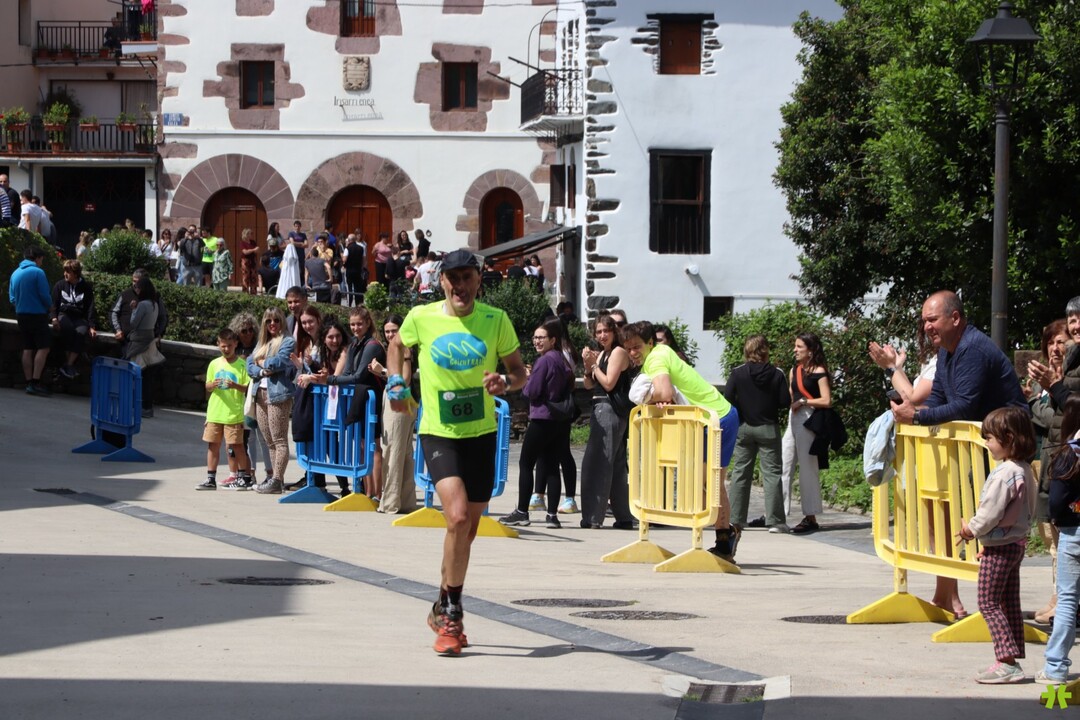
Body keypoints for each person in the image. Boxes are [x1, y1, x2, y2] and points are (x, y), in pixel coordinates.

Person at [385, 248, 526, 655]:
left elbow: (519, 372)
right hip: (439, 432)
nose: (460, 285)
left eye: (467, 277)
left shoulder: (495, 320)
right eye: (453, 278)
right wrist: (397, 382)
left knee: (467, 531)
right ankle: (452, 616)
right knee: (458, 517)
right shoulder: (422, 317)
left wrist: (505, 383)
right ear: (441, 281)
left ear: (479, 280)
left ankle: (441, 602)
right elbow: (396, 344)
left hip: (481, 435)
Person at [619, 321, 741, 561]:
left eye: (637, 347)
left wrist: (647, 397)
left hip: (717, 419)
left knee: (710, 484)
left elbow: (664, 392)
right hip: (712, 417)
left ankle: (725, 539)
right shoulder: (661, 351)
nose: (632, 353)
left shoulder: (656, 359)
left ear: (650, 343)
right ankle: (725, 538)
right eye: (628, 348)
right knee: (706, 484)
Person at [869, 323, 967, 618]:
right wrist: (896, 368)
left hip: (941, 452)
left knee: (942, 524)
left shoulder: (947, 360)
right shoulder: (939, 359)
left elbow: (912, 397)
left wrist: (891, 369)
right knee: (935, 525)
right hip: (931, 450)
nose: (928, 331)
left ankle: (951, 598)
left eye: (934, 324)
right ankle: (945, 595)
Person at [955, 407, 1036, 684]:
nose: (986, 443)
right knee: (1008, 601)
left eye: (989, 438)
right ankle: (1010, 659)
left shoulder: (1005, 473)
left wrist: (970, 530)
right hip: (1015, 544)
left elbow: (990, 513)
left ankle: (1007, 661)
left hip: (1001, 547)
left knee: (988, 602)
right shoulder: (1025, 469)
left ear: (1008, 438)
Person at [891, 290, 1027, 427]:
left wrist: (917, 417)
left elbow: (965, 407)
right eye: (925, 321)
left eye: (932, 320)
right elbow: (938, 397)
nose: (927, 327)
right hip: (986, 433)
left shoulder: (972, 348)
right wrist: (914, 411)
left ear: (955, 318)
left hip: (1010, 432)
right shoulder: (944, 351)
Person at [501, 318, 576, 529]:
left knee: (526, 463)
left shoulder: (543, 361)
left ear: (553, 340)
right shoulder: (561, 359)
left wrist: (528, 378)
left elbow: (532, 391)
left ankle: (522, 511)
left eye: (542, 337)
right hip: (559, 420)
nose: (537, 341)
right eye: (535, 337)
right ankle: (552, 515)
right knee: (552, 467)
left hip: (542, 418)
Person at [725, 335, 791, 533]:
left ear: (747, 351)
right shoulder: (777, 373)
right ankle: (775, 521)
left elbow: (728, 397)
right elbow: (784, 401)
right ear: (765, 350)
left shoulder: (737, 372)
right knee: (772, 474)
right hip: (768, 427)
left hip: (744, 427)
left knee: (740, 472)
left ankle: (735, 519)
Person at [1037, 395, 1080, 685]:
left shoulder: (1069, 454)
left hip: (1073, 532)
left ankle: (1055, 668)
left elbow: (1056, 501)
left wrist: (1060, 519)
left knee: (1067, 601)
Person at [579, 314, 635, 529]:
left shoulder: (618, 352)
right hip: (601, 407)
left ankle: (592, 517)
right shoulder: (603, 353)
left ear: (614, 332)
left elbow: (609, 383)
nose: (602, 335)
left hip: (608, 409)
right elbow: (588, 385)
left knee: (597, 463)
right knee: (616, 464)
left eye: (606, 331)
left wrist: (594, 365)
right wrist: (588, 366)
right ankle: (624, 516)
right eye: (598, 332)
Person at [326, 307, 386, 499]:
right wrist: (336, 379)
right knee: (361, 446)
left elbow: (359, 375)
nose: (355, 328)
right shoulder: (354, 344)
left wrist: (330, 380)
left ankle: (377, 493)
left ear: (368, 323)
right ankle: (367, 492)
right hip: (360, 399)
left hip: (372, 399)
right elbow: (348, 373)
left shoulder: (372, 345)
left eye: (359, 324)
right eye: (352, 324)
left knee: (373, 446)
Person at [780, 332, 832, 534]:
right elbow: (791, 394)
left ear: (810, 351)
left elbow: (826, 400)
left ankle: (811, 516)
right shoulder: (794, 370)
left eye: (799, 347)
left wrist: (803, 402)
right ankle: (778, 514)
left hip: (809, 419)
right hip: (793, 419)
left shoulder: (819, 371)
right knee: (784, 464)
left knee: (807, 468)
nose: (795, 350)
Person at [367, 314, 417, 514]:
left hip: (399, 402)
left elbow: (404, 379)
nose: (390, 335)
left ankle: (389, 502)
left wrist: (382, 370)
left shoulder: (404, 348)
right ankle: (405, 502)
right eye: (387, 331)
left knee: (392, 452)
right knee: (403, 453)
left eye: (393, 330)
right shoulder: (397, 348)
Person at [247, 308, 297, 494]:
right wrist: (261, 369)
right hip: (260, 393)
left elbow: (279, 363)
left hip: (278, 395)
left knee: (279, 440)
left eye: (276, 320)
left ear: (282, 321)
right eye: (268, 321)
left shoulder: (288, 341)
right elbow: (249, 365)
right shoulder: (262, 342)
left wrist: (262, 362)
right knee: (269, 440)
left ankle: (276, 479)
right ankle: (277, 480)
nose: (272, 324)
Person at [197, 328, 253, 491]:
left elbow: (247, 388)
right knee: (212, 445)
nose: (226, 349)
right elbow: (207, 386)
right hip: (215, 412)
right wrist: (212, 384)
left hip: (233, 413)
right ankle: (210, 478)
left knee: (237, 446)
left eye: (229, 345)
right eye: (223, 346)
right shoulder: (214, 364)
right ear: (218, 344)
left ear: (235, 344)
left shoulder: (242, 365)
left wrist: (234, 385)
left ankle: (243, 477)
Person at [111, 269, 169, 417]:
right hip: (148, 340)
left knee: (133, 373)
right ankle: (145, 407)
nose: (135, 287)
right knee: (145, 376)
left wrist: (134, 309)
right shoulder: (154, 303)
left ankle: (132, 405)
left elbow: (134, 322)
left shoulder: (143, 304)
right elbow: (114, 312)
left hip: (138, 341)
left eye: (138, 285)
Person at [9, 246, 54, 396]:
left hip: (21, 314)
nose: (42, 262)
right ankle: (35, 382)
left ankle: (28, 382)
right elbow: (44, 295)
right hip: (37, 315)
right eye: (42, 259)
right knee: (44, 348)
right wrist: (50, 307)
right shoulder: (38, 272)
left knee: (27, 348)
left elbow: (12, 298)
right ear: (37, 258)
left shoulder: (15, 273)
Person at [50, 260, 96, 380]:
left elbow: (90, 307)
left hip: (78, 317)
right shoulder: (60, 285)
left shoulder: (86, 287)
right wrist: (54, 318)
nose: (65, 274)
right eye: (64, 271)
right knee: (67, 329)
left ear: (76, 274)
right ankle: (68, 365)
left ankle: (68, 365)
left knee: (81, 332)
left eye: (68, 272)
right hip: (64, 315)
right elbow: (53, 304)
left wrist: (92, 325)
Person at [341, 233, 366, 306]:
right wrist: (362, 268)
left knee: (349, 288)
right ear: (355, 240)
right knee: (357, 287)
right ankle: (358, 304)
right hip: (358, 271)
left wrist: (344, 265)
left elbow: (344, 259)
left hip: (349, 271)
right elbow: (364, 260)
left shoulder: (347, 248)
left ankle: (349, 304)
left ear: (349, 240)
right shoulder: (361, 248)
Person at [238, 227, 258, 294]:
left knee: (253, 277)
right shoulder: (242, 243)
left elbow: (257, 250)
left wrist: (251, 250)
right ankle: (245, 293)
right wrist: (253, 250)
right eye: (250, 233)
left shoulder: (253, 242)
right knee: (246, 277)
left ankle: (253, 293)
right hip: (245, 261)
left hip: (253, 261)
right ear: (246, 234)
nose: (251, 235)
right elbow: (245, 252)